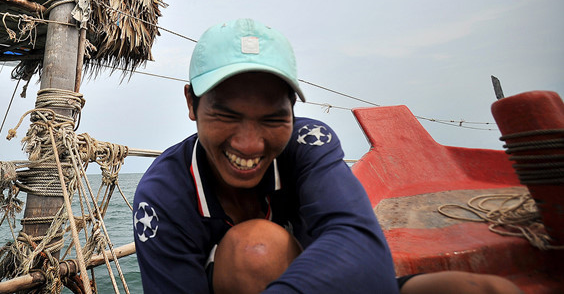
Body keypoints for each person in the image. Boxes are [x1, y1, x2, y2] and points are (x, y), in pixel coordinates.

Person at [133, 18, 521, 294]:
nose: (250, 144)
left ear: (293, 114)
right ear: (191, 104)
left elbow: (362, 247)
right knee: (256, 251)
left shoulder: (309, 142)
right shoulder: (165, 192)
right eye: (226, 114)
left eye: (273, 118)